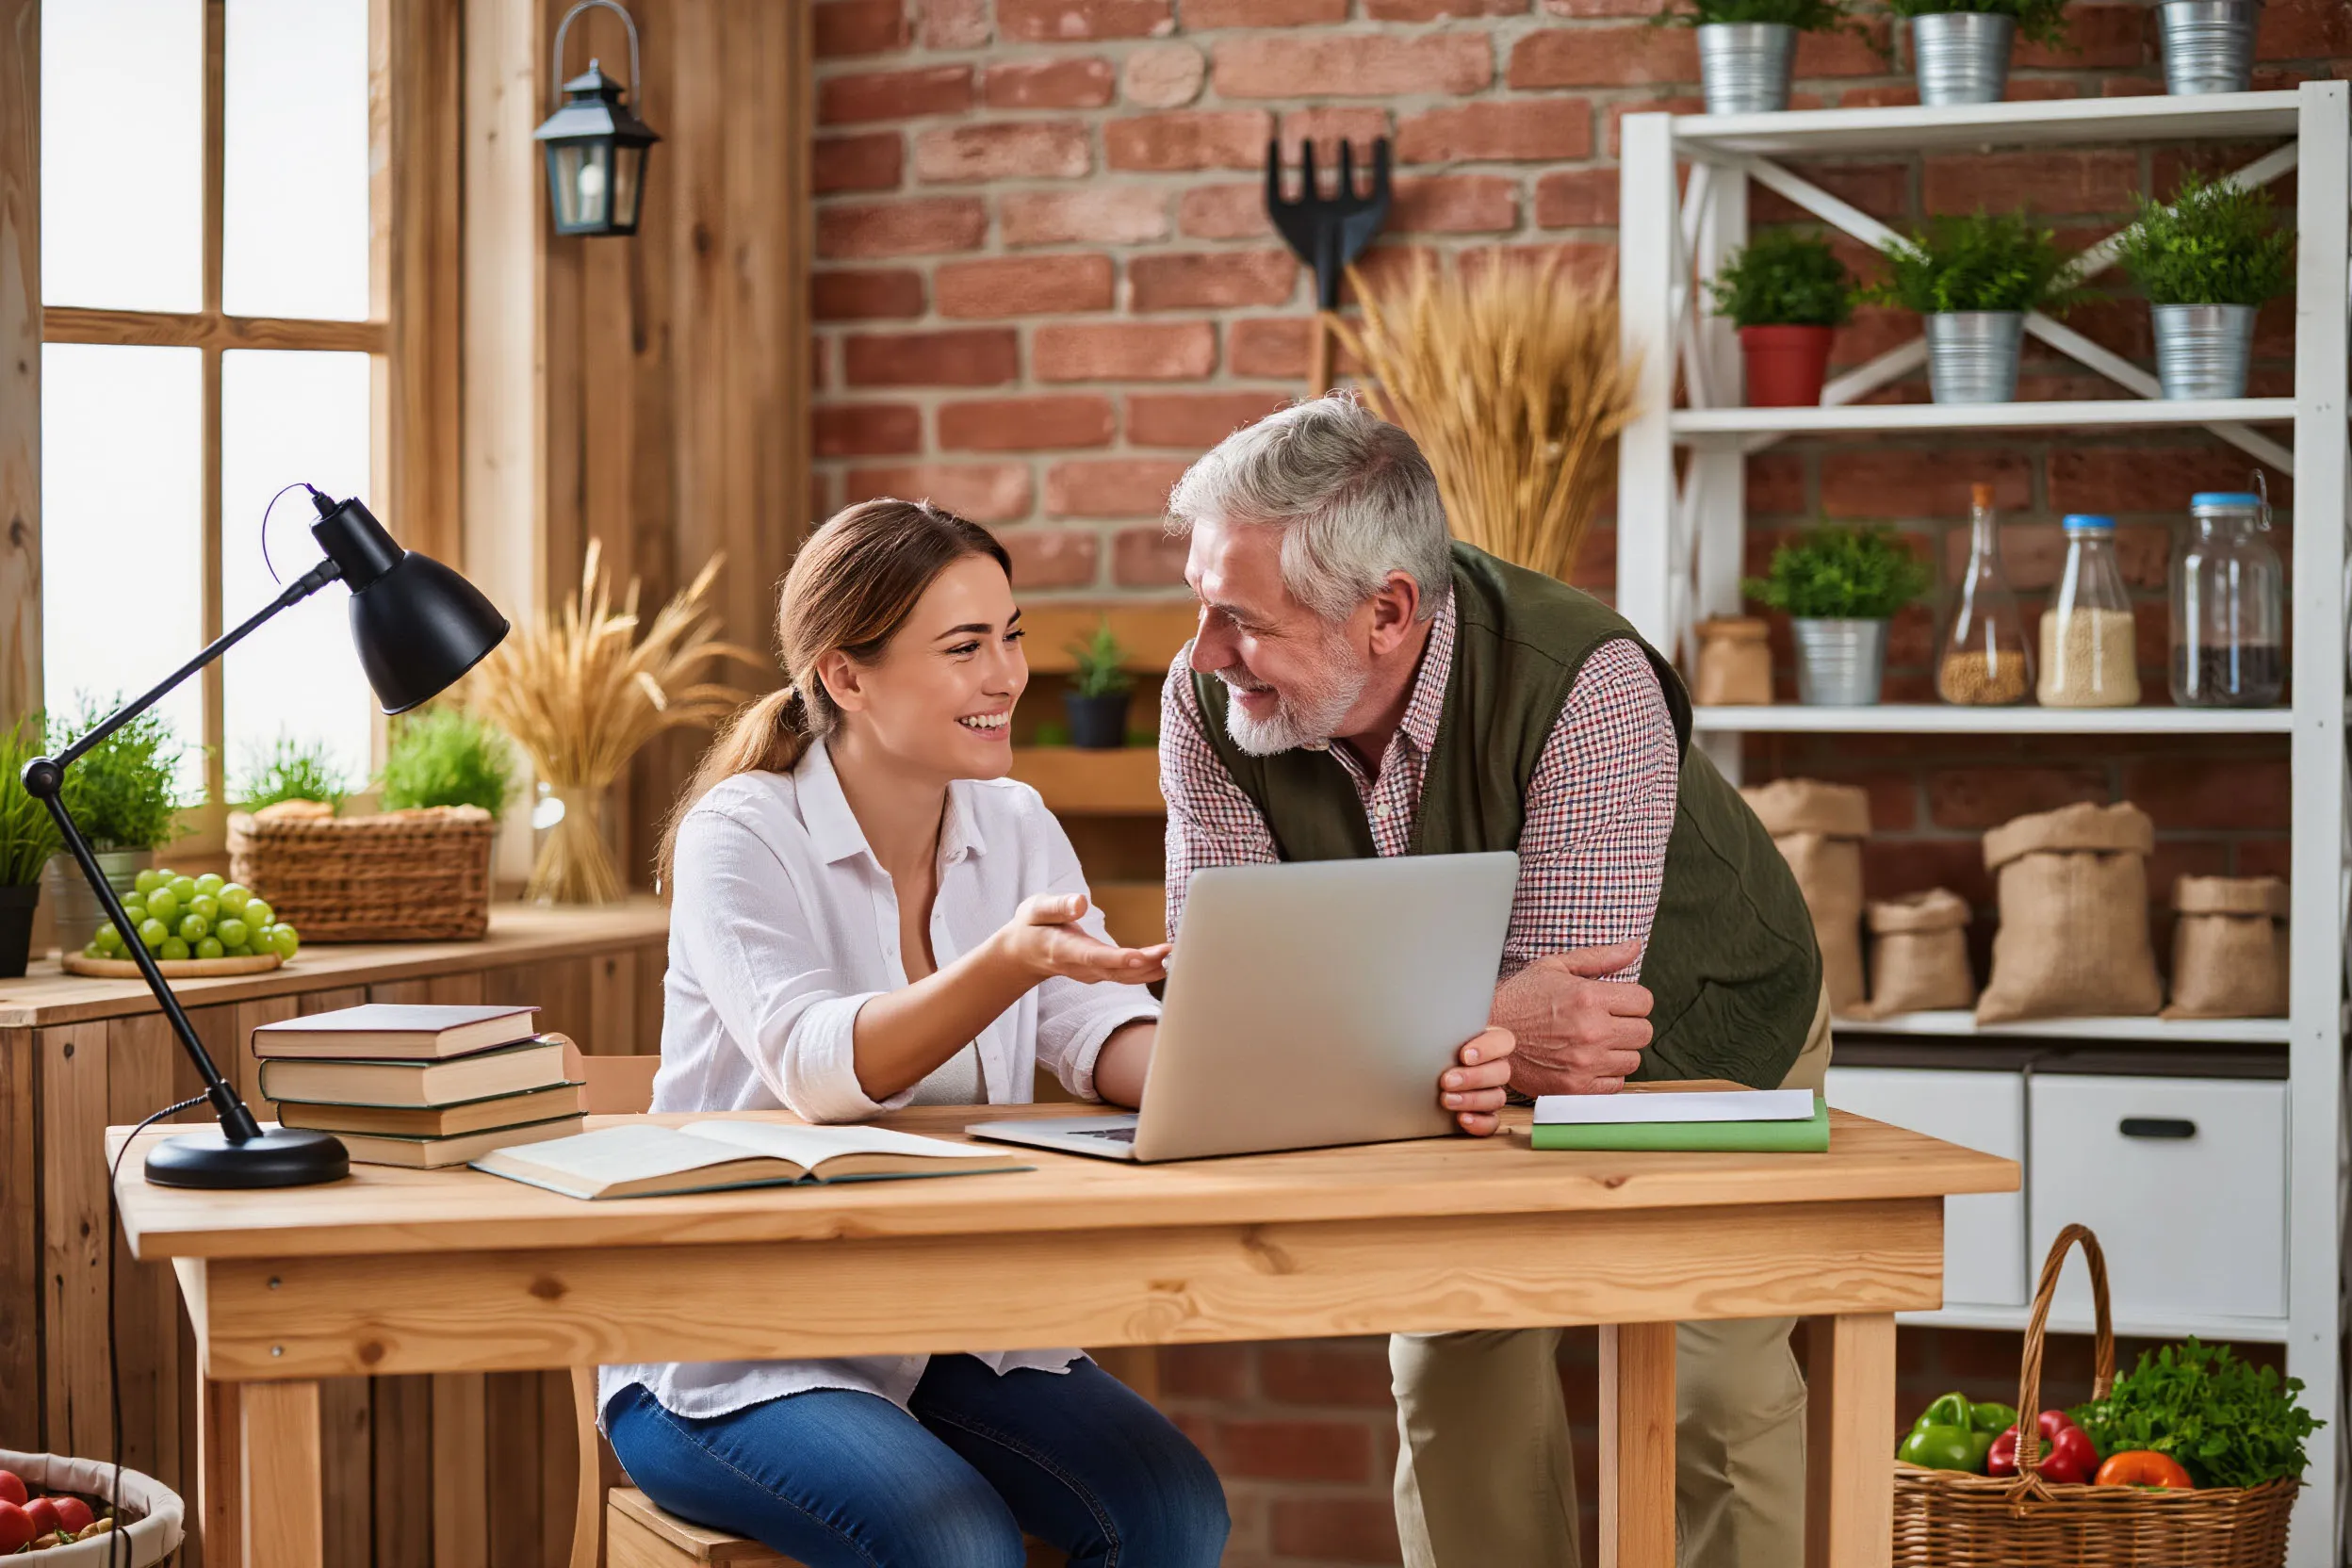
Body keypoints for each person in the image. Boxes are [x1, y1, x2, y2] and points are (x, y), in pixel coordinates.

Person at [599, 498, 1515, 1568]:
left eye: (1012, 633)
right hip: (732, 1351)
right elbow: (816, 1068)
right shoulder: (741, 833)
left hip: (939, 1323)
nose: (1006, 675)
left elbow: (1097, 1028)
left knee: (1173, 1508)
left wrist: (1343, 1061)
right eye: (964, 646)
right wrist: (1006, 963)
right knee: (957, 1541)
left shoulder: (1015, 824)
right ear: (846, 676)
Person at [1157, 396, 1834, 1568]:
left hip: (1707, 1030)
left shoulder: (1588, 676)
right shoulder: (1206, 700)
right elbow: (1226, 1009)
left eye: (1242, 620)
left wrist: (1363, 1022)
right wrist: (1475, 1023)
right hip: (1445, 1088)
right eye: (1203, 608)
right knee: (1452, 1354)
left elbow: (1573, 1036)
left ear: (1387, 612)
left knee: (1712, 1377)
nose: (1208, 652)